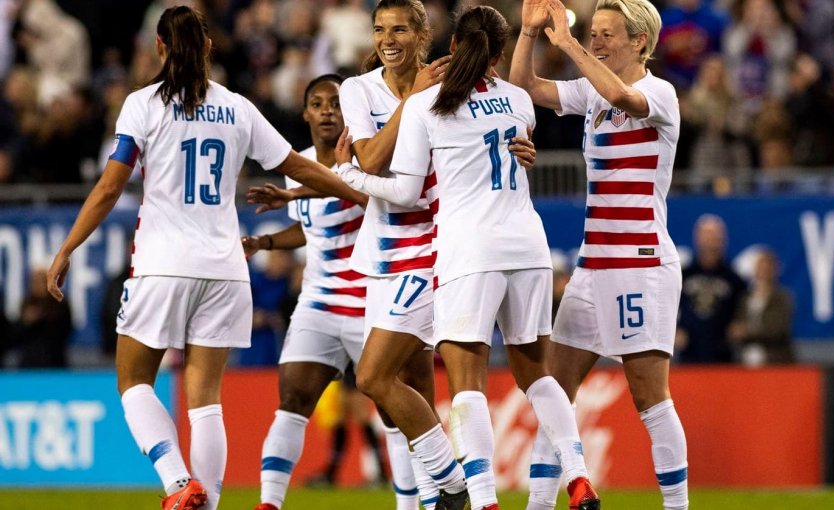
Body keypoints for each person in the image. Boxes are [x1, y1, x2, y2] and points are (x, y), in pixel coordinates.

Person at [45, 7, 361, 510]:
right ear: (210, 47)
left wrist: (66, 248)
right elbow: (298, 165)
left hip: (164, 264)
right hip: (226, 270)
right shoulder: (238, 107)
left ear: (158, 48)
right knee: (206, 399)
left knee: (132, 382)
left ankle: (176, 483)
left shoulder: (142, 104)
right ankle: (207, 503)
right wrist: (365, 195)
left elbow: (110, 187)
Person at [337, 6, 599, 510]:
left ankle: (481, 499)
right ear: (496, 56)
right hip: (528, 246)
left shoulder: (428, 103)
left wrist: (349, 175)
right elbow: (511, 145)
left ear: (449, 46)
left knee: (465, 386)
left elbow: (406, 187)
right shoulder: (518, 102)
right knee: (537, 376)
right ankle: (579, 477)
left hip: (464, 251)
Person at [510, 0, 690, 509]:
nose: (596, 40)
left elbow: (622, 96)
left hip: (641, 262)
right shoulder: (591, 89)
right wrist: (528, 35)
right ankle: (539, 505)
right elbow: (525, 88)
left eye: (608, 33)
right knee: (555, 393)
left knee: (649, 398)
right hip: (594, 265)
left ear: (640, 42)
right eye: (593, 32)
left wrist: (563, 42)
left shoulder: (659, 93)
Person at [243, 74, 412, 510]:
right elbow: (308, 228)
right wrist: (262, 243)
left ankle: (409, 505)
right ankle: (269, 503)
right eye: (317, 103)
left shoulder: (365, 159)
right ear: (305, 113)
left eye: (335, 102)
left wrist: (294, 190)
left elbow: (361, 197)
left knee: (393, 413)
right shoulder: (296, 162)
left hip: (367, 301)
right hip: (317, 303)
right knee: (293, 399)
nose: (327, 111)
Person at [677, 214, 746, 363]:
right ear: (697, 238)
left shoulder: (734, 278)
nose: (710, 242)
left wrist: (740, 325)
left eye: (715, 236)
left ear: (723, 240)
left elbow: (744, 308)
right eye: (707, 235)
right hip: (689, 352)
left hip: (723, 353)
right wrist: (674, 331)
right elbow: (668, 307)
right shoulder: (684, 275)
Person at [728, 249, 794, 365]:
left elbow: (776, 330)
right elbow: (737, 325)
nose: (763, 271)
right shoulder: (745, 298)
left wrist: (747, 332)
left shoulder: (782, 298)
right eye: (760, 267)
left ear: (774, 270)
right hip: (746, 359)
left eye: (767, 267)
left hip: (775, 359)